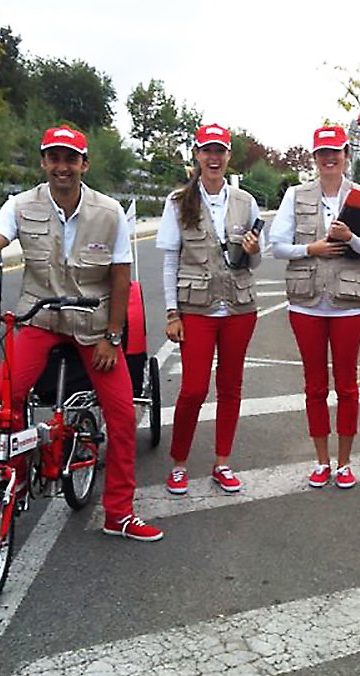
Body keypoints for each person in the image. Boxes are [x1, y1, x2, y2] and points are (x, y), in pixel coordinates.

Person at [0, 126, 162, 542]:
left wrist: (113, 335)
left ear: (83, 165)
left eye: (70, 159)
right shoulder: (20, 205)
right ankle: (11, 477)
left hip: (93, 325)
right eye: (54, 158)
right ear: (43, 162)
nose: (62, 167)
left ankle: (119, 513)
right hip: (40, 319)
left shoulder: (108, 213)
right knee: (4, 397)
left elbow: (121, 276)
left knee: (123, 415)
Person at [269, 125, 360, 489]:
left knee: (348, 386)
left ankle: (345, 462)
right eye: (322, 153)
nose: (329, 159)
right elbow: (277, 245)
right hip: (306, 304)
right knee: (314, 386)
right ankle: (322, 461)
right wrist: (312, 249)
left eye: (335, 152)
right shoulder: (295, 194)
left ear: (347, 155)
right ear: (314, 158)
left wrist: (351, 238)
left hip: (349, 305)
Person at [157, 124, 263, 495]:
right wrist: (172, 314)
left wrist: (252, 250)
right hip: (197, 309)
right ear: (197, 154)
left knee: (231, 387)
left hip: (238, 307)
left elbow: (255, 260)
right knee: (193, 389)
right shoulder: (178, 202)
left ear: (228, 156)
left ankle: (222, 462)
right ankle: (179, 463)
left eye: (220, 151)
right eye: (207, 151)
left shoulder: (245, 201)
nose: (213, 158)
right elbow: (171, 261)